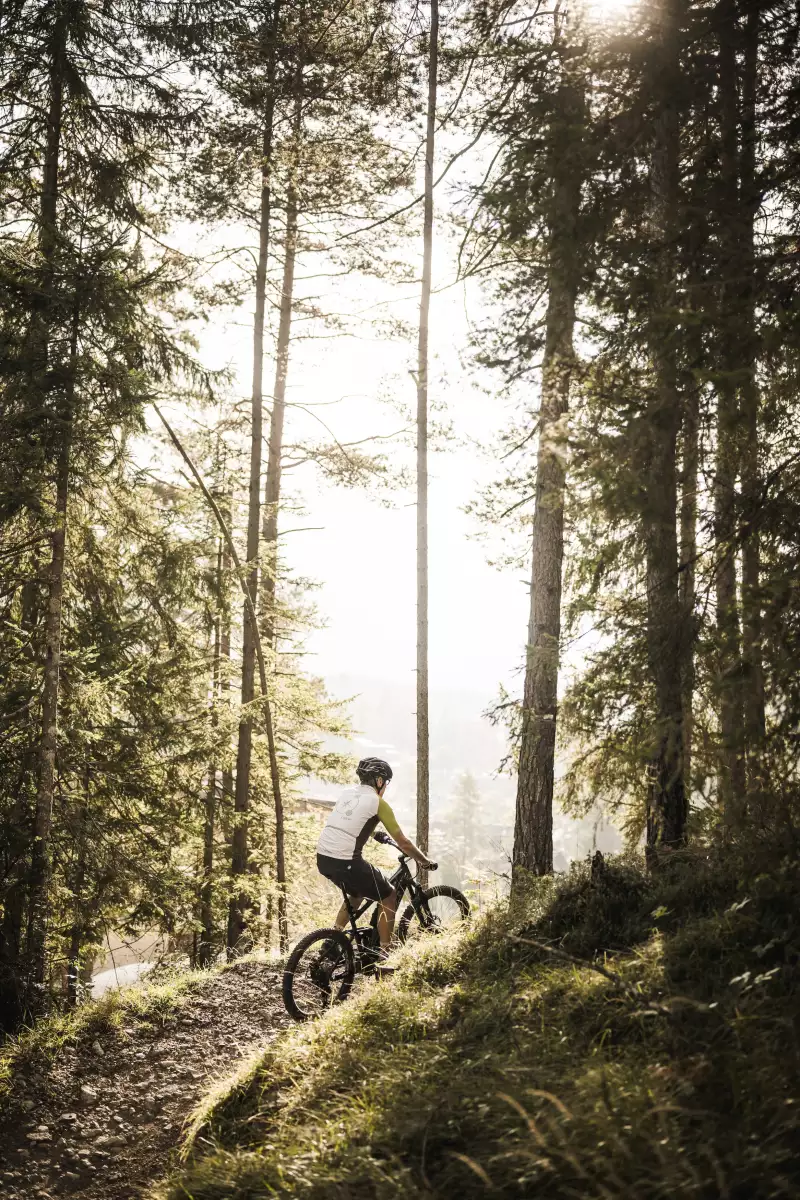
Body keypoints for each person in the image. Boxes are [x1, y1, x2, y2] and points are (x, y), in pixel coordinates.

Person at [316, 757, 434, 960]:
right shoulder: (379, 803)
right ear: (379, 781)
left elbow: (350, 821)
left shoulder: (347, 794)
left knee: (356, 892)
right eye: (386, 782)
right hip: (347, 862)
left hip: (324, 858)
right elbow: (404, 843)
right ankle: (384, 954)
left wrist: (373, 833)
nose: (385, 787)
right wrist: (424, 861)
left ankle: (333, 939)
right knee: (388, 895)